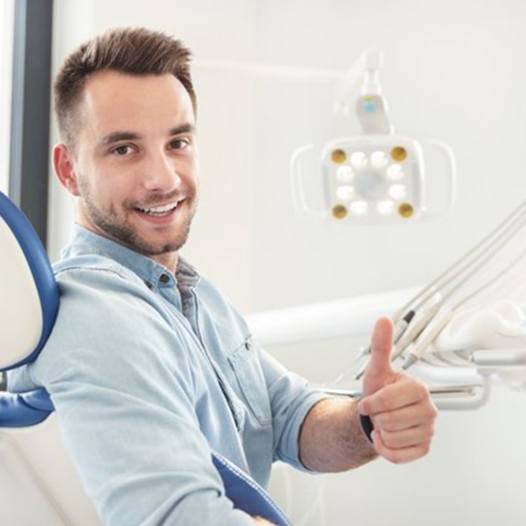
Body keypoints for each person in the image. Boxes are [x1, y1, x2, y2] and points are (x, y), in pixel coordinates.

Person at [8, 27, 437, 526]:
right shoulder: (99, 316)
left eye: (178, 142)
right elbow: (176, 517)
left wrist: (368, 420)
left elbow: (288, 419)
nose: (164, 178)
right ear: (67, 170)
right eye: (124, 149)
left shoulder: (192, 294)